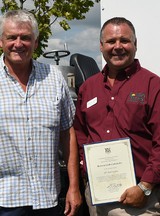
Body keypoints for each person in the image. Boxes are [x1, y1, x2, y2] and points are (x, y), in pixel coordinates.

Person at [73, 17, 160, 215]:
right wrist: (86, 168)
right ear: (101, 46)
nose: (118, 47)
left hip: (139, 200)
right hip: (96, 197)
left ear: (135, 45)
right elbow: (81, 133)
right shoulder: (88, 88)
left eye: (125, 41)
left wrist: (145, 187)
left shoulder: (155, 87)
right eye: (111, 41)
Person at [0, 9, 81, 216]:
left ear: (35, 43)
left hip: (48, 200)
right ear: (1, 41)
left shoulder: (54, 78)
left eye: (26, 37)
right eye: (12, 37)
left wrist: (74, 187)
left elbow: (67, 133)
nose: (18, 43)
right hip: (5, 200)